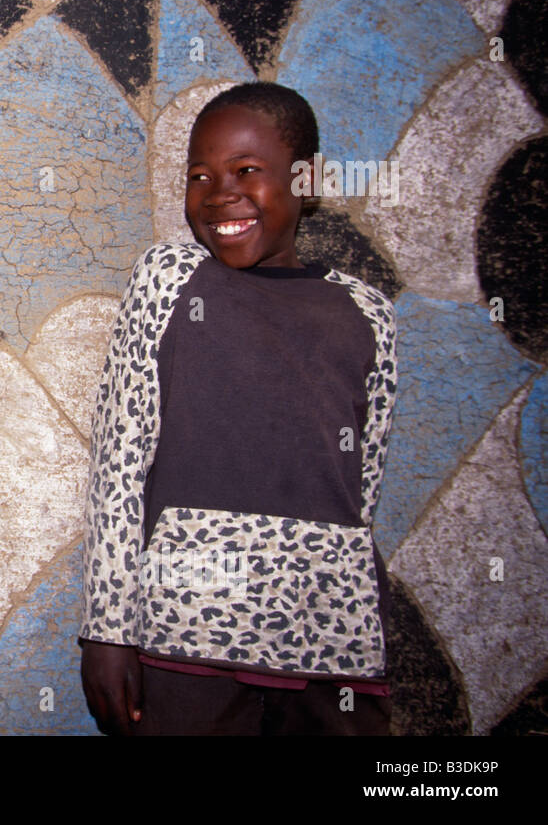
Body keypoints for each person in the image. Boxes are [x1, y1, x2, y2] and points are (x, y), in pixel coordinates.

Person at [79, 82, 396, 735]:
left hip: (327, 635)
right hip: (186, 629)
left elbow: (361, 485)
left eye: (246, 171)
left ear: (306, 181)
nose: (220, 191)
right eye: (200, 175)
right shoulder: (167, 278)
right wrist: (107, 631)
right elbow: (119, 461)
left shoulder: (368, 314)